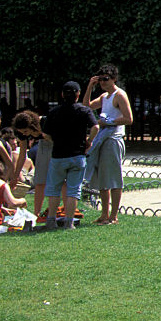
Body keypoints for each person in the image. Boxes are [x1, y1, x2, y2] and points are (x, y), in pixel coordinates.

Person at [42, 81, 99, 230]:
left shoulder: (54, 112)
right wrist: (89, 141)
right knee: (73, 190)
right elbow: (96, 127)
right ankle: (69, 221)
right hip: (77, 155)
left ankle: (51, 220)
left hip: (58, 155)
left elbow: (45, 133)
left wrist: (54, 140)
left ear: (62, 94)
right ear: (78, 94)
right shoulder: (84, 111)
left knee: (54, 189)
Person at [83, 64, 133, 225]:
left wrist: (108, 122)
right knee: (104, 179)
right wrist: (90, 86)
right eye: (101, 80)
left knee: (114, 178)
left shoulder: (120, 95)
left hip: (113, 139)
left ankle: (114, 215)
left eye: (106, 79)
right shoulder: (105, 97)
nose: (103, 82)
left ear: (114, 79)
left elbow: (128, 118)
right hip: (102, 139)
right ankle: (104, 214)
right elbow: (86, 106)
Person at [12, 110, 57, 221]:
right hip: (42, 145)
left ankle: (57, 212)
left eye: (26, 131)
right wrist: (16, 175)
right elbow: (22, 154)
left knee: (57, 181)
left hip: (55, 145)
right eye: (21, 132)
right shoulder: (21, 133)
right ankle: (36, 214)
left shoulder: (46, 122)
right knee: (39, 181)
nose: (24, 134)